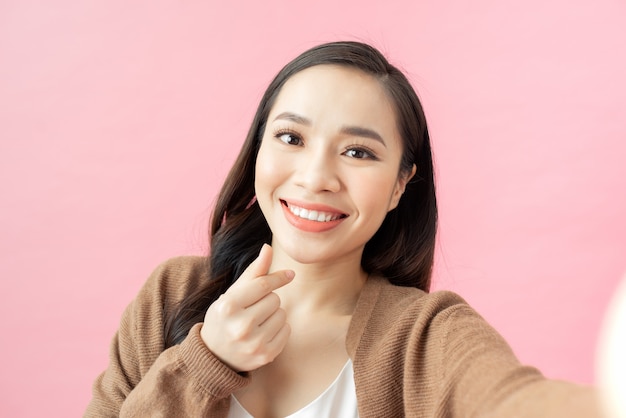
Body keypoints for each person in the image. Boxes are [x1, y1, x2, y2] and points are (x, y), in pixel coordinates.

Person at [85, 41, 603, 417]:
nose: (315, 178)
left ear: (402, 184)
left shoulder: (424, 337)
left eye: (358, 152)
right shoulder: (171, 297)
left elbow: (513, 402)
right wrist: (205, 362)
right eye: (291, 137)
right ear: (258, 149)